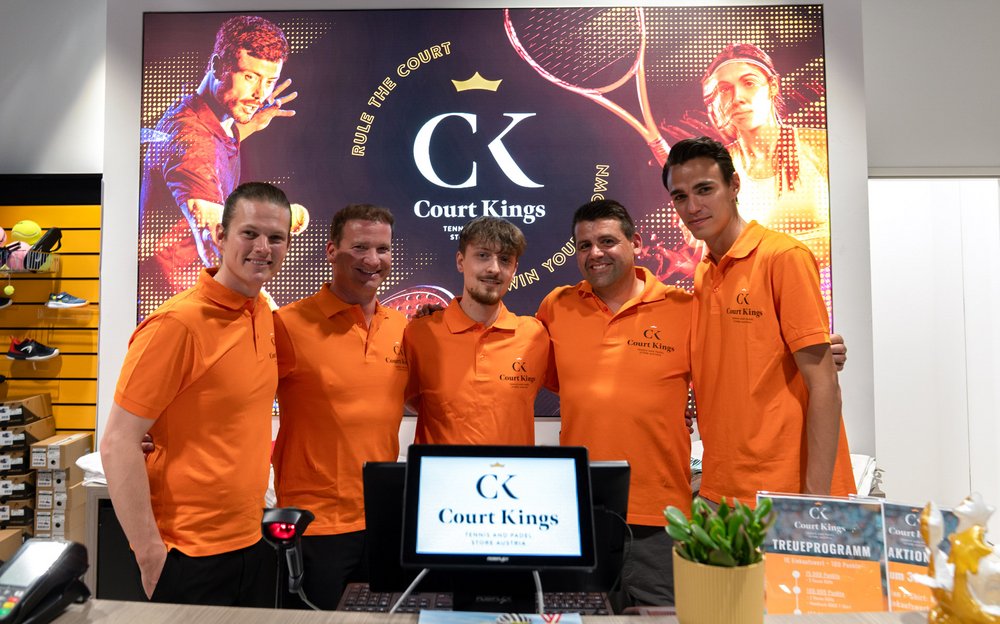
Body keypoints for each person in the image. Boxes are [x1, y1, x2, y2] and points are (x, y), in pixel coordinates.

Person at [100, 182, 292, 605]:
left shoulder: (263, 312)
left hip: (252, 543)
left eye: (276, 237)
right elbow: (117, 443)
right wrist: (150, 556)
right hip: (187, 556)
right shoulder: (176, 325)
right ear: (220, 236)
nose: (263, 248)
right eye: (250, 233)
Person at [662, 136, 854, 507]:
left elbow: (824, 385)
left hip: (787, 495)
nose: (693, 206)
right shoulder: (703, 273)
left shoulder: (784, 256)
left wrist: (815, 503)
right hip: (722, 489)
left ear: (734, 185)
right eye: (680, 196)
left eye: (705, 189)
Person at [536, 200, 693, 608]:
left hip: (660, 516)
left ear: (636, 242)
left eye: (607, 241)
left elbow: (734, 369)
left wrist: (818, 350)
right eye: (584, 245)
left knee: (664, 617)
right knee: (579, 616)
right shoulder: (557, 306)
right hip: (579, 513)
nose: (595, 253)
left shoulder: (685, 308)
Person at [271, 204, 408, 609]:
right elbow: (235, 398)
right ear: (331, 250)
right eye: (360, 247)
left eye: (382, 249)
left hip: (381, 522)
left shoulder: (403, 328)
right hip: (314, 526)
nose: (372, 260)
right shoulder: (287, 324)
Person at [140, 15, 304, 296]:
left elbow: (215, 143)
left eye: (269, 81)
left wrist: (248, 125)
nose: (260, 94)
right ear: (218, 66)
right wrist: (261, 305)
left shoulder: (198, 114)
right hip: (184, 301)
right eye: (250, 77)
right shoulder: (194, 141)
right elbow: (215, 242)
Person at [404, 216, 548, 445]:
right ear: (460, 261)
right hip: (438, 469)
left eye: (505, 259)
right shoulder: (419, 333)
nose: (494, 269)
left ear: (514, 269)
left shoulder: (536, 336)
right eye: (482, 255)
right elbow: (409, 402)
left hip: (510, 469)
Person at [700, 42, 830, 267]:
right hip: (751, 289)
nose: (737, 97)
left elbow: (855, 229)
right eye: (724, 89)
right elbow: (714, 260)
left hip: (824, 287)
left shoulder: (821, 146)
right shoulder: (716, 170)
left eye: (749, 83)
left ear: (773, 86)